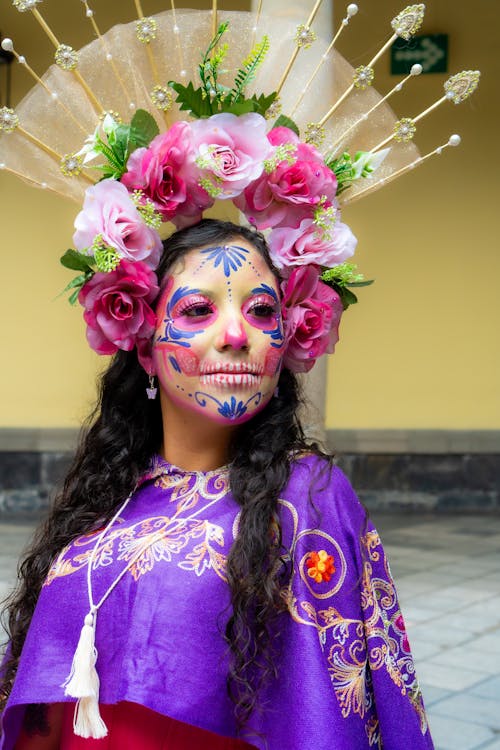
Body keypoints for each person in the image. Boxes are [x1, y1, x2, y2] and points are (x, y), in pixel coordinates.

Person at [0, 218, 434, 750]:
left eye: (262, 311)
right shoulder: (107, 489)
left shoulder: (306, 497)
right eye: (198, 310)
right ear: (144, 347)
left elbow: (325, 711)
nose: (236, 335)